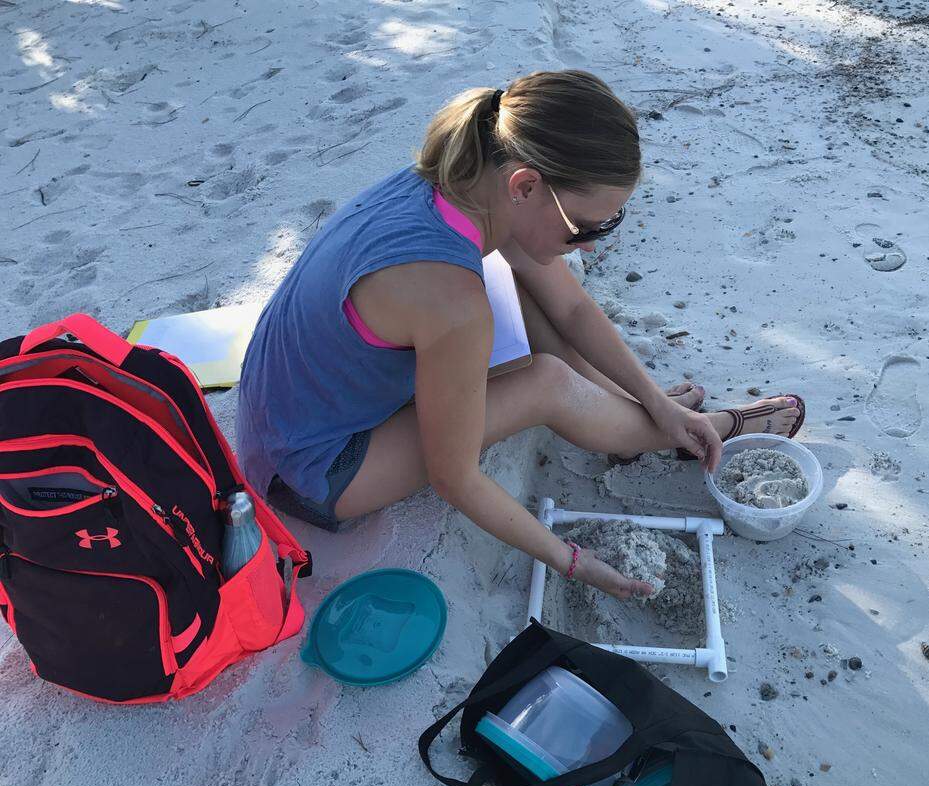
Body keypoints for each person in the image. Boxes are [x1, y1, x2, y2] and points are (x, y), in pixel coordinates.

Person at [236, 70, 804, 600]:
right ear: (526, 185)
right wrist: (572, 559)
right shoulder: (451, 299)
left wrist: (654, 398)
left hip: (287, 412)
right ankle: (679, 432)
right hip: (315, 471)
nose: (592, 243)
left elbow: (572, 308)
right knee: (547, 381)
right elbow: (453, 478)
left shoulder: (463, 181)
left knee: (532, 286)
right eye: (587, 225)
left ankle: (638, 418)